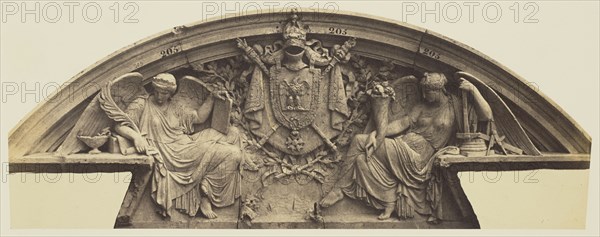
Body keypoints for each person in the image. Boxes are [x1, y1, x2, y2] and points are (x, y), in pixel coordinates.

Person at [319, 72, 492, 221]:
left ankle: (339, 189)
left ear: (438, 90)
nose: (424, 96)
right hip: (403, 146)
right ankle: (387, 200)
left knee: (358, 141)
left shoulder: (455, 105)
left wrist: (473, 91)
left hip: (419, 159)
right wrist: (378, 133)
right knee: (361, 160)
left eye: (427, 92)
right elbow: (402, 123)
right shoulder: (422, 106)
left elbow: (486, 115)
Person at [114, 73, 244, 219]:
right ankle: (205, 197)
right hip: (170, 153)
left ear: (171, 93)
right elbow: (120, 125)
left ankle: (206, 190)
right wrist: (136, 137)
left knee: (233, 136)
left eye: (164, 93)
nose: (159, 96)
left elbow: (199, 117)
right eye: (157, 91)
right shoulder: (141, 104)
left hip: (184, 144)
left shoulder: (175, 106)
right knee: (232, 153)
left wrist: (212, 97)